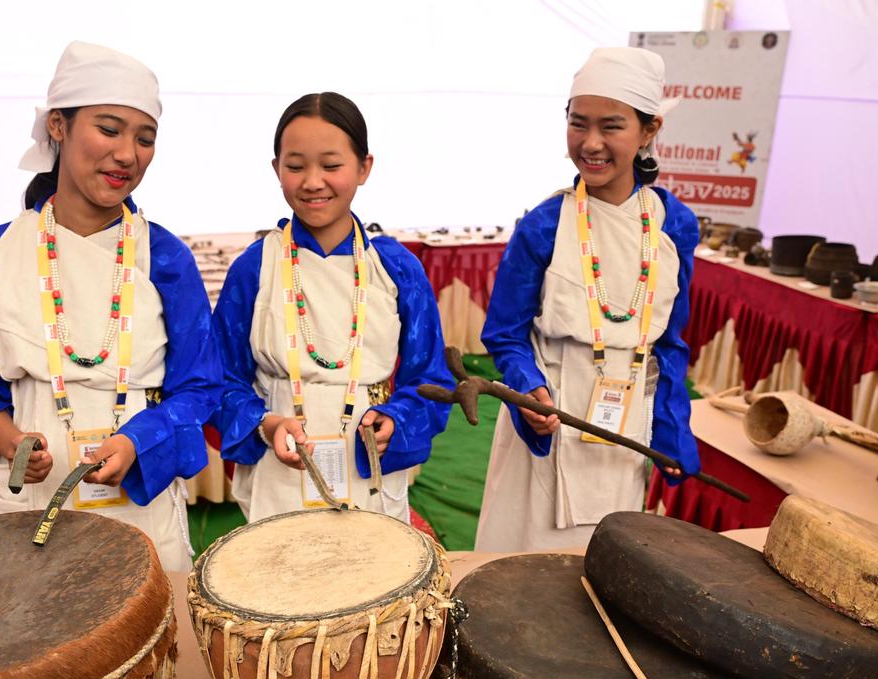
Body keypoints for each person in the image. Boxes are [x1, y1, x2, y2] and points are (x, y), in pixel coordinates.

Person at [0, 42, 221, 570]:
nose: (128, 154)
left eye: (145, 138)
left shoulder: (166, 256)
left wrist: (138, 441)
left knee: (148, 633)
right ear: (58, 127)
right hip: (26, 496)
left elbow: (200, 386)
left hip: (139, 492)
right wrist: (10, 438)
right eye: (109, 130)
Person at [475, 47, 700, 552]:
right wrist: (527, 389)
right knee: (525, 567)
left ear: (650, 131)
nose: (591, 143)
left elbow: (671, 342)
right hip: (553, 417)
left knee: (605, 558)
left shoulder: (674, 226)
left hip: (624, 426)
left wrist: (670, 425)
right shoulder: (544, 225)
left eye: (611, 127)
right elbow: (505, 335)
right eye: (579, 124)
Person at [213, 92, 452, 523]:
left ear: (364, 167)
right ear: (276, 170)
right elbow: (220, 382)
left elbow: (431, 380)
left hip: (367, 465)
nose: (312, 181)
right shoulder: (255, 266)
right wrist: (266, 424)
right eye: (295, 165)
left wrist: (396, 419)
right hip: (280, 465)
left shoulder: (396, 269)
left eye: (331, 165)